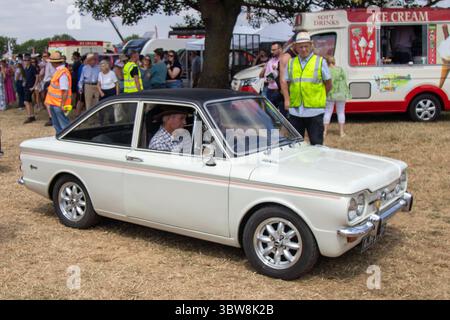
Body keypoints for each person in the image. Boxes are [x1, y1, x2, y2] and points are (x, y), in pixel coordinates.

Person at [282, 31, 332, 145]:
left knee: (316, 145)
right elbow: (287, 83)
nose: (304, 49)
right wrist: (287, 99)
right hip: (296, 111)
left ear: (311, 45)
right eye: (301, 47)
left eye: (306, 46)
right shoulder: (291, 63)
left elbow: (328, 83)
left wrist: (320, 96)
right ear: (295, 48)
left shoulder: (320, 62)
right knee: (296, 145)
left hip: (315, 112)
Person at [44, 52, 72, 134]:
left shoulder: (62, 73)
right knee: (58, 126)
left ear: (53, 62)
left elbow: (65, 90)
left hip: (59, 105)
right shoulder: (59, 71)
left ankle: (67, 141)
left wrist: (62, 104)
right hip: (55, 104)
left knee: (64, 126)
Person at [323, 56, 351, 138]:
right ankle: (341, 132)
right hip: (341, 94)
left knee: (328, 112)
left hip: (330, 93)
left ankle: (324, 132)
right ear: (334, 61)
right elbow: (345, 80)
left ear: (326, 62)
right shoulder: (340, 69)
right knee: (341, 112)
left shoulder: (326, 70)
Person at [260, 42, 284, 116]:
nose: (272, 52)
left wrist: (275, 73)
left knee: (283, 115)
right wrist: (275, 73)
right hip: (270, 91)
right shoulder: (270, 61)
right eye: (271, 50)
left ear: (280, 49)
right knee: (270, 115)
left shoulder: (284, 60)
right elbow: (266, 78)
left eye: (274, 50)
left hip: (280, 91)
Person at [23, 55, 39, 123]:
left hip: (31, 87)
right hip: (27, 86)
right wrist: (24, 82)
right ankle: (32, 116)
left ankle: (29, 116)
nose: (25, 61)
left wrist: (34, 86)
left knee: (26, 101)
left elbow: (37, 77)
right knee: (29, 101)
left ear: (29, 61)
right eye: (24, 60)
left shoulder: (32, 68)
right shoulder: (26, 68)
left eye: (27, 60)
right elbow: (26, 77)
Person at [42, 52, 56, 126]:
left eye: (45, 56)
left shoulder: (50, 64)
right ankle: (52, 118)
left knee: (48, 102)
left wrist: (51, 84)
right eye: (43, 56)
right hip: (48, 82)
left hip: (49, 82)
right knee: (47, 102)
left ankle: (52, 118)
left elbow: (53, 74)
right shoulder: (47, 64)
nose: (44, 57)